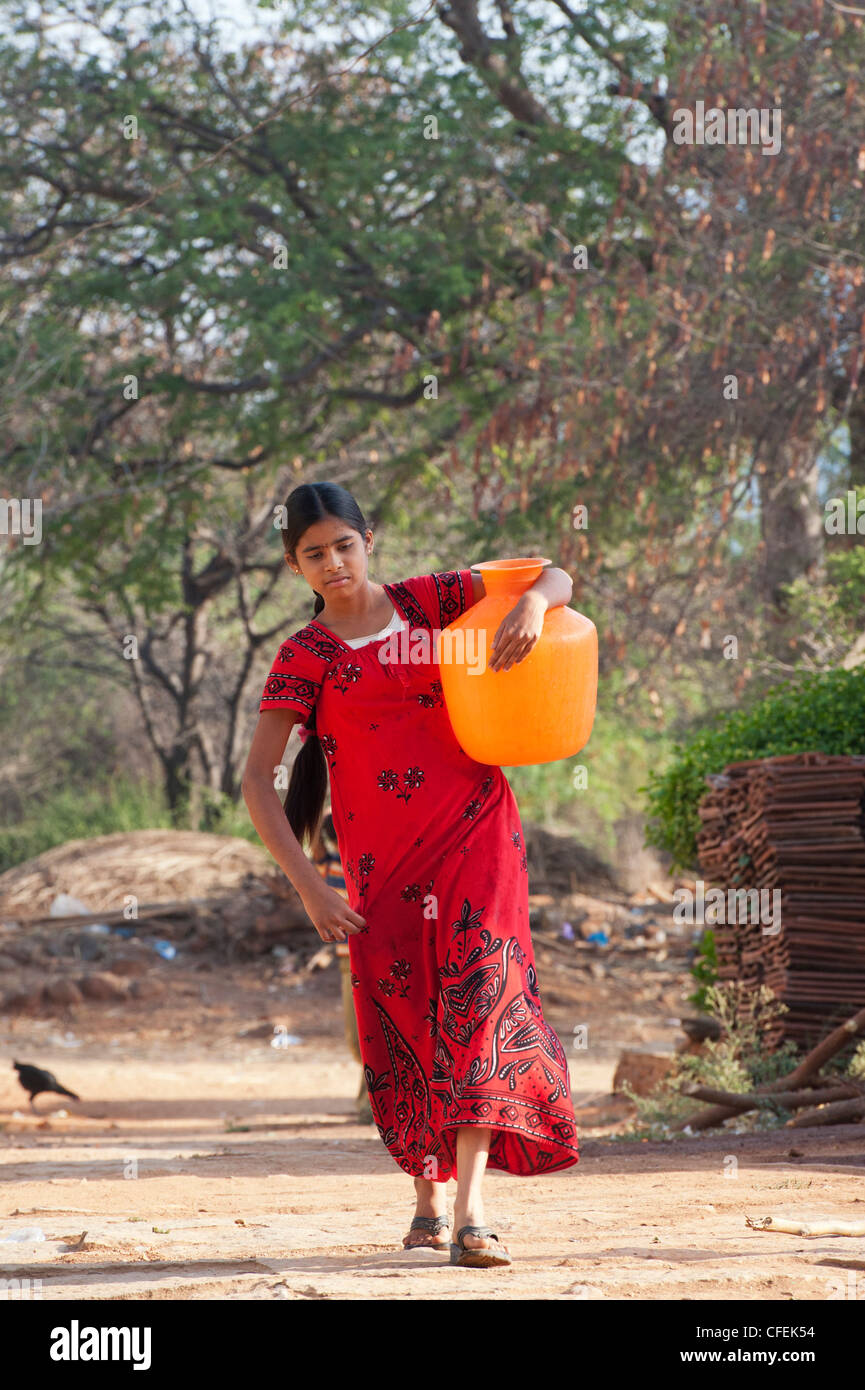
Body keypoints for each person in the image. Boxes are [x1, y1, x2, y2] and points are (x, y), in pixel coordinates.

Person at [242, 481, 580, 1269]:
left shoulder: (432, 604)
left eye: (344, 545)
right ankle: (425, 1202)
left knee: (480, 1002)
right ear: (295, 566)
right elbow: (259, 781)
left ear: (369, 541)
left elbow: (553, 575)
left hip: (478, 836)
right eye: (314, 553)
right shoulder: (304, 656)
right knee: (406, 1023)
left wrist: (530, 607)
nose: (334, 563)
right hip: (377, 868)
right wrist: (310, 885)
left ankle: (470, 1214)